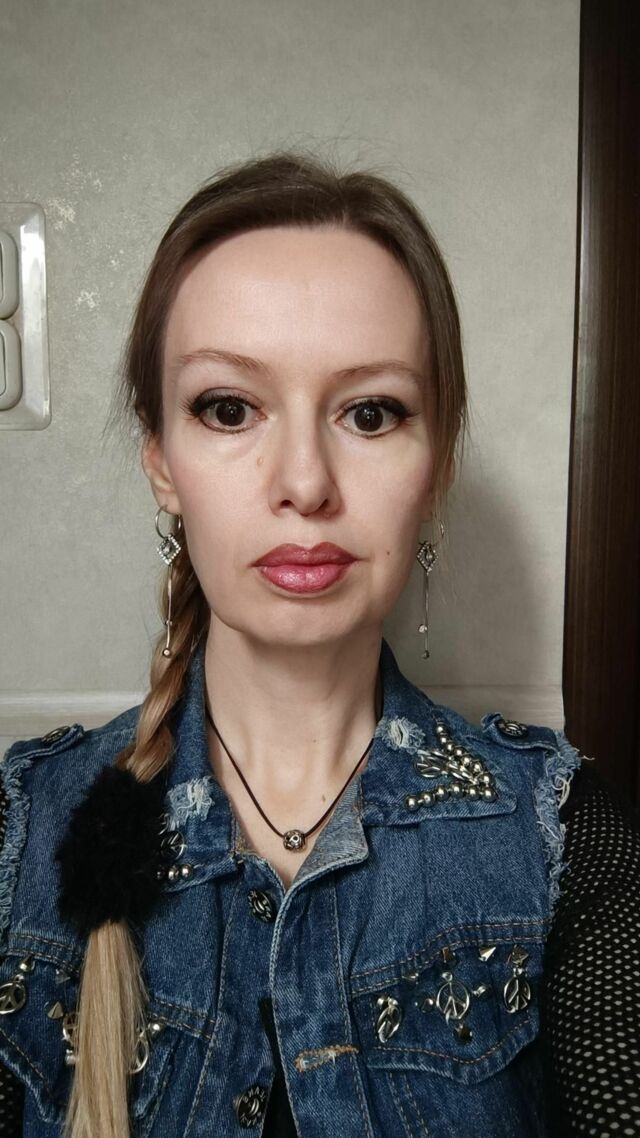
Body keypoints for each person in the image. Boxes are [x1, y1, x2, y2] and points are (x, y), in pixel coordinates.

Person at [0, 151, 638, 1138]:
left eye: (369, 412)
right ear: (161, 459)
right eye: (229, 408)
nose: (304, 482)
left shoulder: (565, 842)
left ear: (435, 464)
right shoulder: (18, 841)